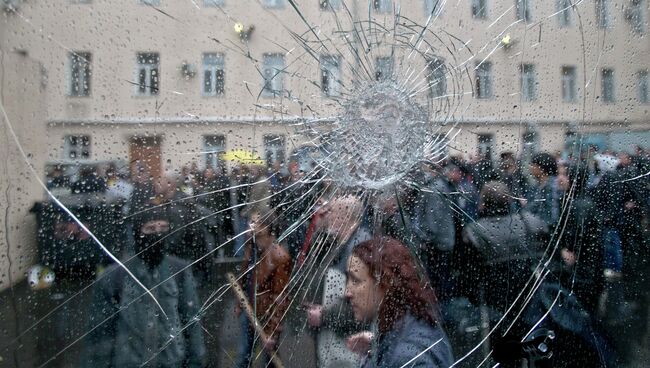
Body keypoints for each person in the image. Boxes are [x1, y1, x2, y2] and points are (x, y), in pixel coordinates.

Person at [79, 207, 206, 368]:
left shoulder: (179, 271)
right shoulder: (115, 277)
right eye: (150, 228)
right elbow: (100, 334)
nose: (158, 234)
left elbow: (192, 322)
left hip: (170, 363)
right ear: (138, 233)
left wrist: (195, 362)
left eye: (163, 228)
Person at [344, 237, 454, 367]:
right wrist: (377, 345)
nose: (347, 293)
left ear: (385, 283)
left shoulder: (409, 356)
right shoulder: (404, 325)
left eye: (355, 280)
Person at [235, 207, 292, 368]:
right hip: (250, 310)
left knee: (269, 360)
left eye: (254, 222)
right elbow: (245, 276)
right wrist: (240, 304)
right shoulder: (251, 245)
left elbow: (280, 297)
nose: (249, 226)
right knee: (243, 356)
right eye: (250, 222)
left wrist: (272, 331)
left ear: (267, 227)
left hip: (266, 316)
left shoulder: (279, 257)